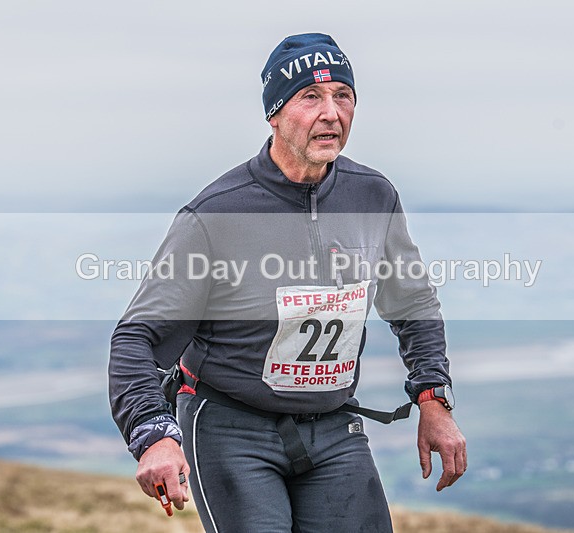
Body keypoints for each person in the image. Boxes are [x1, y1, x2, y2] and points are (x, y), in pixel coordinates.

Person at [109, 33, 466, 532]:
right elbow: (137, 338)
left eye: (343, 95)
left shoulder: (373, 195)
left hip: (334, 425)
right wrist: (153, 435)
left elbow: (412, 302)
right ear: (274, 114)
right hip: (231, 427)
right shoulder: (216, 214)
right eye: (310, 97)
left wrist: (433, 398)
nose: (331, 112)